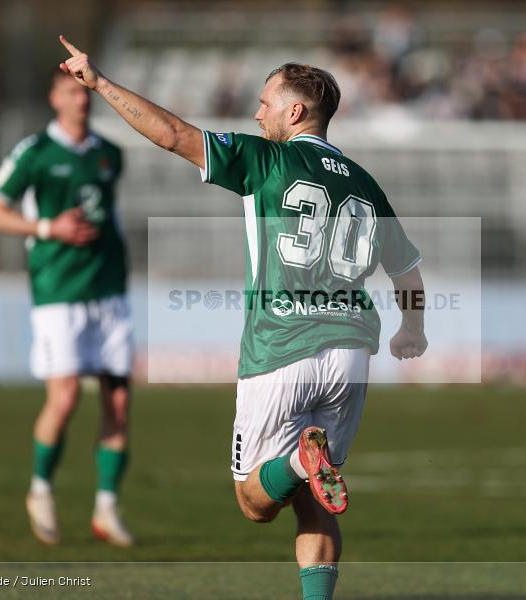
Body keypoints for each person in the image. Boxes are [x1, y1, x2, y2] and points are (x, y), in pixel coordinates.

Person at [57, 35, 427, 599]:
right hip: (352, 352)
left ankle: (303, 460)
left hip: (282, 347)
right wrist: (413, 329)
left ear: (295, 111)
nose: (257, 114)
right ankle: (310, 474)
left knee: (255, 503)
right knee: (315, 505)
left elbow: (174, 136)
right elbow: (408, 273)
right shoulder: (366, 184)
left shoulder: (267, 158)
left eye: (265, 103)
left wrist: (101, 83)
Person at [0, 68, 134, 547]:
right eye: (70, 91)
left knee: (118, 404)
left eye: (85, 91)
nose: (81, 99)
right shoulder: (35, 154)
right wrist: (49, 229)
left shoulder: (110, 154)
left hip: (109, 290)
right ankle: (40, 490)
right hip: (58, 291)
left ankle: (107, 509)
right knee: (65, 398)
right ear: (54, 97)